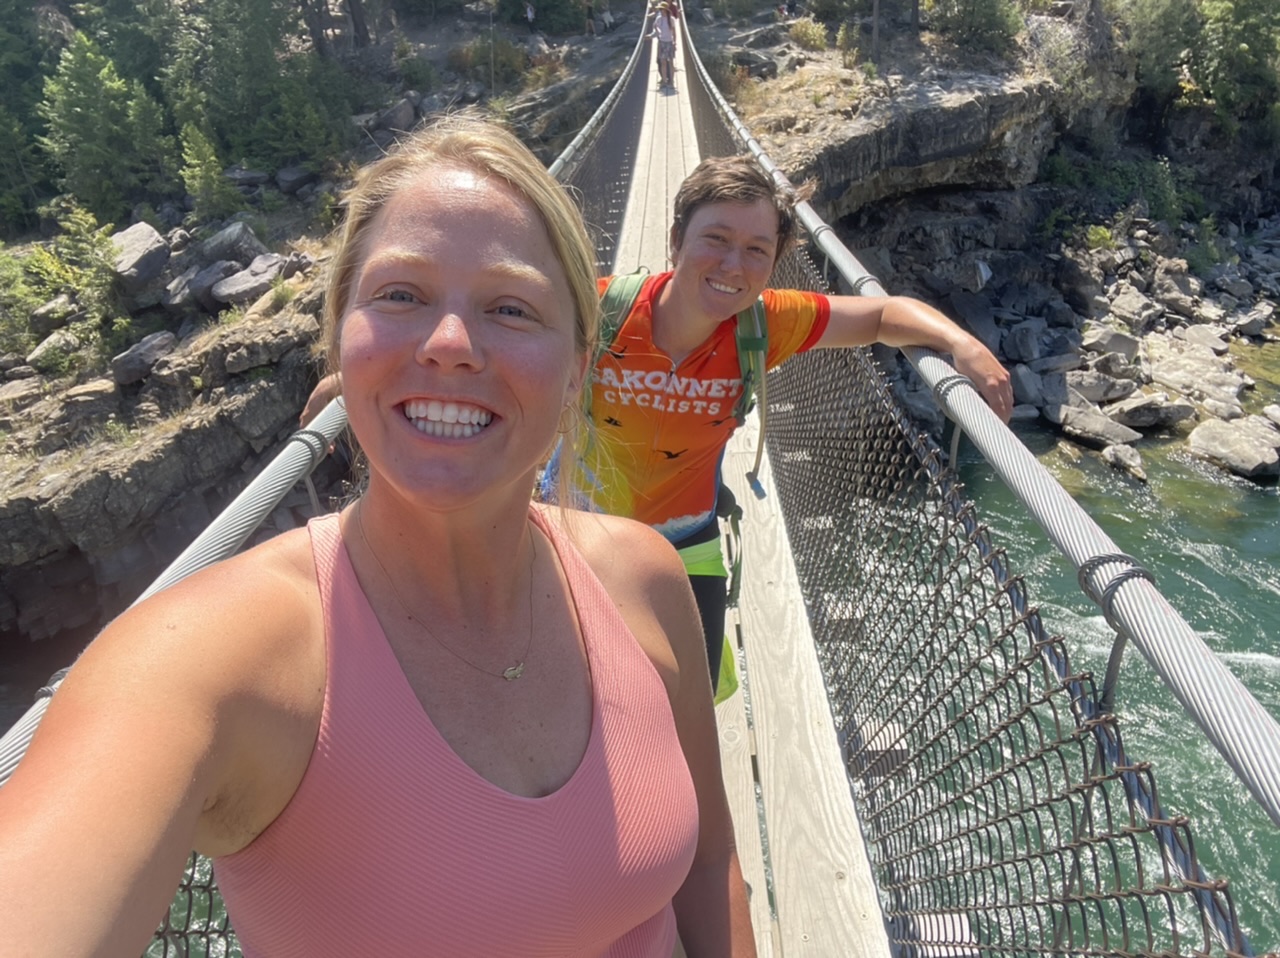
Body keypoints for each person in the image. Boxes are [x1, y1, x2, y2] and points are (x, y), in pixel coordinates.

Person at [0, 115, 757, 958]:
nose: (449, 346)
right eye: (401, 296)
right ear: (341, 342)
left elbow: (711, 860)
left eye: (510, 308)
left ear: (580, 363)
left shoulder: (643, 575)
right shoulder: (214, 656)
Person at [304, 155, 1013, 692]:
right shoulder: (604, 312)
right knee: (568, 686)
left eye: (756, 250)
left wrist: (964, 345)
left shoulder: (765, 325)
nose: (733, 265)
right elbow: (496, 342)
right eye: (716, 239)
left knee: (689, 690)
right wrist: (352, 383)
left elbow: (883, 317)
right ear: (676, 239)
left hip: (687, 543)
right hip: (573, 533)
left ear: (773, 262)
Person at [649, 2, 677, 90]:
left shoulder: (671, 19)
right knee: (663, 62)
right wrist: (658, 32)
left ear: (665, 9)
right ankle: (664, 82)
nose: (660, 11)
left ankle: (671, 82)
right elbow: (654, 26)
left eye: (661, 9)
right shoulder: (659, 19)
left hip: (669, 42)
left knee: (671, 62)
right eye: (660, 9)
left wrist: (674, 43)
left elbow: (674, 32)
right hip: (662, 42)